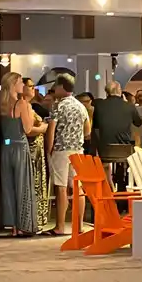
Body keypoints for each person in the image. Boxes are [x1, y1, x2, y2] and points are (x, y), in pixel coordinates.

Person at [0, 72, 42, 236]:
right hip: (20, 147)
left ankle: (13, 227)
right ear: (13, 84)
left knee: (8, 186)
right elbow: (27, 129)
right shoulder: (22, 104)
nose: (22, 86)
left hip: (6, 147)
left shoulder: (0, 103)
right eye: (19, 82)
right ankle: (24, 224)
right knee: (23, 185)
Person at [48, 73, 88, 215]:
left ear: (60, 86)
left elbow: (51, 130)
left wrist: (49, 149)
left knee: (61, 187)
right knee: (78, 187)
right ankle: (80, 225)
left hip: (61, 150)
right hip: (78, 150)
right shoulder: (81, 106)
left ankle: (60, 225)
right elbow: (87, 130)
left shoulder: (58, 106)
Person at [91, 78, 138, 185]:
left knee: (106, 162)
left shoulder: (99, 105)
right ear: (120, 91)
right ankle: (126, 184)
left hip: (105, 149)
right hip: (125, 149)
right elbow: (138, 122)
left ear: (106, 92)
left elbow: (96, 125)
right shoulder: (129, 106)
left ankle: (110, 187)